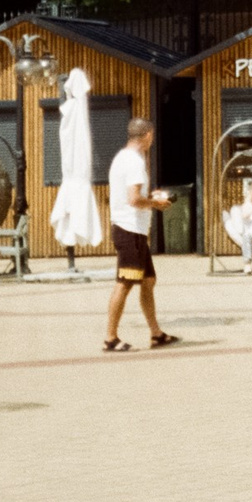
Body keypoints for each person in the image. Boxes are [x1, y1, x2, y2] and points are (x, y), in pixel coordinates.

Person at [103, 118, 177, 351]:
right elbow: (134, 200)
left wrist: (151, 196)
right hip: (130, 230)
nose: (152, 140)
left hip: (131, 230)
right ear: (147, 135)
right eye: (152, 136)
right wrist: (156, 203)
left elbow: (133, 194)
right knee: (124, 283)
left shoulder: (122, 158)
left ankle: (156, 334)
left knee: (148, 280)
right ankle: (110, 338)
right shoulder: (134, 161)